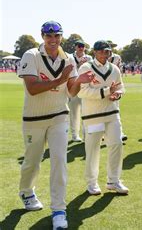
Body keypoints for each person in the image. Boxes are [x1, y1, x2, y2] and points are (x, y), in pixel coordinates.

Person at [18, 21, 93, 229]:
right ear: (42, 36)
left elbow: (71, 92)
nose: (53, 40)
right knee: (32, 162)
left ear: (61, 37)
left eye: (57, 36)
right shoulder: (31, 55)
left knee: (59, 161)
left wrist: (79, 81)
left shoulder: (68, 58)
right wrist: (61, 79)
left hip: (59, 116)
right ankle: (26, 190)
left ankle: (59, 210)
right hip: (34, 119)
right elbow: (32, 88)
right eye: (49, 36)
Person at [78, 40, 129, 195]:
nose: (105, 54)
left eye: (107, 51)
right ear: (95, 52)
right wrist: (107, 91)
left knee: (116, 145)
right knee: (93, 150)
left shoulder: (114, 69)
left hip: (112, 114)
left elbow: (121, 87)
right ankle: (92, 183)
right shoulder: (86, 68)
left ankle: (114, 180)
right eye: (102, 51)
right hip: (93, 116)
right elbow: (82, 92)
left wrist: (117, 94)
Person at [68, 39, 93, 142]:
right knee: (74, 113)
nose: (81, 48)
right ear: (75, 47)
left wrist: (85, 65)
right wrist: (79, 65)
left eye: (83, 46)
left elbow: (92, 72)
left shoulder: (89, 58)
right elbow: (69, 72)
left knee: (86, 112)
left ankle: (86, 135)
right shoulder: (70, 57)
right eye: (79, 46)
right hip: (74, 88)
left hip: (86, 89)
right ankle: (75, 135)